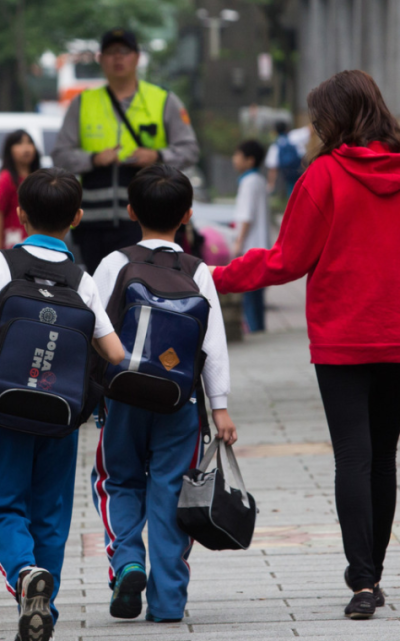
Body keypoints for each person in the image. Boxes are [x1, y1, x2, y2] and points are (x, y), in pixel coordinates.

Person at [210, 70, 400, 620]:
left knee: (353, 455)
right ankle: (373, 573)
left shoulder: (324, 177)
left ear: (334, 119)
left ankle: (363, 582)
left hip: (342, 340)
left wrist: (214, 277)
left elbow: (286, 261)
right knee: (384, 456)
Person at [0, 168, 125, 641]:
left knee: (1, 503)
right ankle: (44, 608)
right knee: (50, 513)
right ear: (77, 217)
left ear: (19, 214)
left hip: (7, 408)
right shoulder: (81, 279)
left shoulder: (0, 263)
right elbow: (113, 353)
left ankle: (23, 573)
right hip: (62, 416)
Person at [91, 165, 237, 624]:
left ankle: (128, 560)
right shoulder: (198, 272)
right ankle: (169, 601)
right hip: (181, 405)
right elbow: (213, 347)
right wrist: (221, 408)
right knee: (174, 493)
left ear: (130, 211)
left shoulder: (114, 263)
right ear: (188, 215)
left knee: (118, 482)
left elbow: (92, 330)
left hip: (123, 400)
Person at [52, 28, 200, 273]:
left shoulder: (163, 100)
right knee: (101, 295)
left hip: (149, 220)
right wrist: (93, 159)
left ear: (137, 57)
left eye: (124, 51)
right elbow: (60, 155)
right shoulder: (82, 102)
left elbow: (190, 150)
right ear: (100, 59)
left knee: (143, 287)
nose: (117, 58)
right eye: (110, 52)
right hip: (93, 225)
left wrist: (157, 156)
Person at [231, 139, 269, 333]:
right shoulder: (260, 180)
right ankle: (259, 328)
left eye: (238, 156)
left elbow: (246, 216)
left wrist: (238, 243)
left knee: (249, 292)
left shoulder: (248, 182)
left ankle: (254, 330)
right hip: (262, 245)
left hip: (249, 246)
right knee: (258, 294)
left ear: (250, 160)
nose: (234, 159)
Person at [0, 129, 41, 251]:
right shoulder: (6, 178)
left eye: (29, 143)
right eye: (19, 143)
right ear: (9, 150)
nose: (26, 148)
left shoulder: (39, 178)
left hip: (37, 244)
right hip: (15, 244)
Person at [265, 120, 311, 195]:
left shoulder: (275, 145)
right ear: (287, 129)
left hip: (288, 176)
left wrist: (271, 184)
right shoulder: (295, 135)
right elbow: (310, 130)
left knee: (292, 195)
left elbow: (272, 168)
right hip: (303, 171)